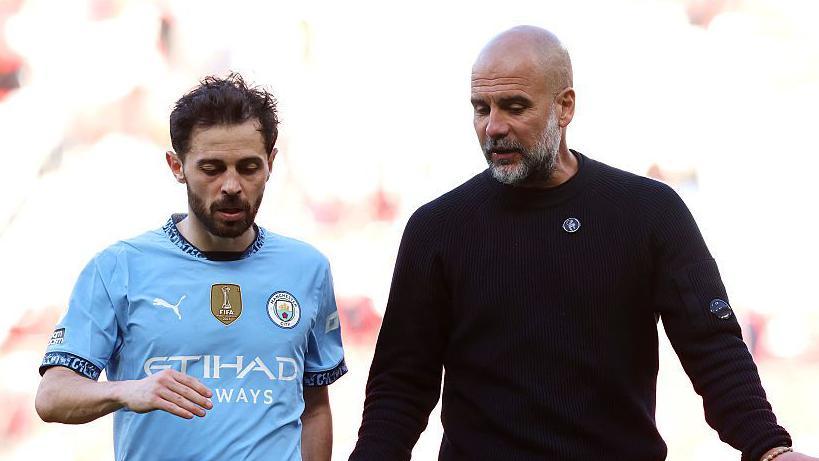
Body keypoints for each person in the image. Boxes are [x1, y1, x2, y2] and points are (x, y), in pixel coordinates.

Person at [349, 26, 815, 461]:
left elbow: (712, 347)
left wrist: (768, 448)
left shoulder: (649, 213)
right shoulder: (438, 227)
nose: (493, 126)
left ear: (565, 106)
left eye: (514, 107)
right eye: (480, 107)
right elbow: (401, 383)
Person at [35, 73, 347, 461]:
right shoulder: (119, 267)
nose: (232, 185)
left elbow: (315, 406)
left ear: (270, 164)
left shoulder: (307, 269)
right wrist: (126, 391)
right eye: (212, 168)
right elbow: (52, 396)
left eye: (248, 167)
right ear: (176, 165)